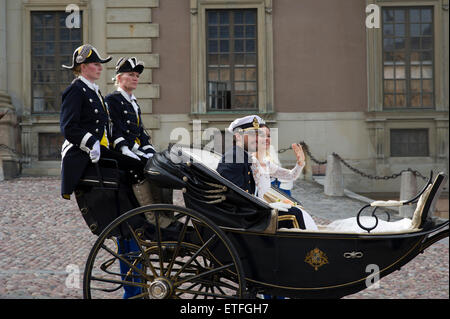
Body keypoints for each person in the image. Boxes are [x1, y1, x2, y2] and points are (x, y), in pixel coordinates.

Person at [60, 44, 146, 200]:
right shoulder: (76, 90)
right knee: (137, 166)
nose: (100, 68)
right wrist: (91, 143)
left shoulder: (94, 91)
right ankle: (145, 214)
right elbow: (69, 127)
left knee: (141, 164)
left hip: (102, 149)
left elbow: (108, 126)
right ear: (83, 67)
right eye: (96, 64)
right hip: (82, 153)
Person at [217, 115, 316, 230]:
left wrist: (300, 163)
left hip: (250, 211)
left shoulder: (243, 156)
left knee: (296, 210)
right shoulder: (233, 158)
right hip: (243, 217)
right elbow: (237, 197)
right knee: (294, 214)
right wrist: (266, 206)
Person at [105, 57, 157, 207]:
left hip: (136, 149)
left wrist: (149, 150)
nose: (135, 79)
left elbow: (140, 131)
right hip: (123, 150)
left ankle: (163, 210)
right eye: (131, 75)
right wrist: (125, 149)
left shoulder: (133, 102)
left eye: (137, 76)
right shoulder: (112, 100)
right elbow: (115, 128)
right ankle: (150, 214)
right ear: (119, 78)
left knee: (159, 166)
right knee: (140, 167)